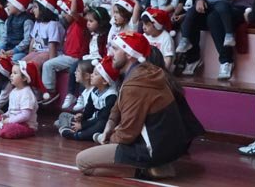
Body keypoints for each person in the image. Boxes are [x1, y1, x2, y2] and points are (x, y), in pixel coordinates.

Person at [76, 32, 191, 179]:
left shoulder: (135, 84)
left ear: (129, 54)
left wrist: (109, 140)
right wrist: (109, 127)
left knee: (82, 162)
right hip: (167, 147)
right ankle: (156, 165)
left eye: (116, 49)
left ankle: (146, 170)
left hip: (151, 151)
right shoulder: (143, 72)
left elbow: (127, 134)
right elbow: (118, 105)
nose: (111, 54)